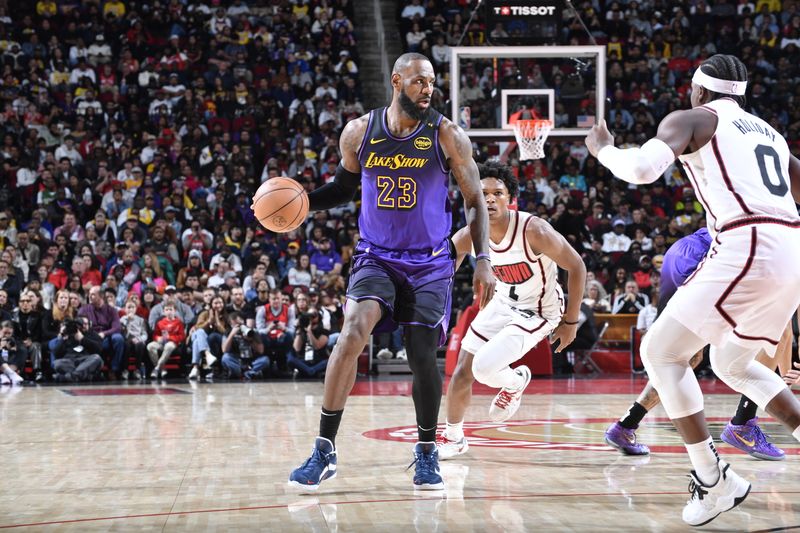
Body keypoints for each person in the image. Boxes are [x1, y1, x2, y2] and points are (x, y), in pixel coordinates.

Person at [586, 54, 800, 526]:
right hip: (790, 249)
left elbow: (642, 170)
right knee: (731, 363)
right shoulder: (771, 134)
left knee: (661, 353)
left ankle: (712, 478)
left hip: (748, 241)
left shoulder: (692, 118)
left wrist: (602, 148)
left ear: (700, 91)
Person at [288, 53, 495, 492]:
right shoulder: (359, 132)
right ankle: (324, 449)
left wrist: (483, 258)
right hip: (376, 256)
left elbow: (475, 200)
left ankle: (425, 451)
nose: (429, 89)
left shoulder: (448, 136)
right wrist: (303, 202)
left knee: (420, 353)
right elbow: (344, 188)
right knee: (352, 331)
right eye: (420, 82)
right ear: (397, 81)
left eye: (432, 82)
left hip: (429, 262)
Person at [436, 161, 586, 458]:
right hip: (503, 303)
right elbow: (443, 269)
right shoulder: (471, 233)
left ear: (510, 199)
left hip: (540, 311)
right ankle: (454, 437)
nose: (490, 198)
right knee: (463, 369)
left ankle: (516, 382)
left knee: (482, 367)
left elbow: (577, 266)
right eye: (483, 193)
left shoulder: (535, 230)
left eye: (498, 193)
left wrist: (570, 321)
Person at [604, 227, 789, 461]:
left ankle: (625, 425)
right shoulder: (788, 244)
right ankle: (744, 423)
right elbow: (784, 333)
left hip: (684, 250)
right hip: (716, 259)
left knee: (675, 355)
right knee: (770, 336)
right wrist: (787, 380)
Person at [52, 317, 103, 382]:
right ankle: (87, 376)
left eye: (86, 324)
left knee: (97, 358)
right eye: (82, 324)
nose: (84, 326)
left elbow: (99, 350)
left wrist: (82, 339)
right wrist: (62, 338)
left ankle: (69, 377)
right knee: (57, 363)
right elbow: (56, 354)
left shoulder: (93, 334)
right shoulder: (68, 334)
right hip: (70, 361)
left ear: (89, 324)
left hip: (86, 360)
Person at [220, 311, 269, 380]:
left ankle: (245, 374)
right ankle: (248, 374)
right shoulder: (228, 332)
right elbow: (224, 350)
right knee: (225, 358)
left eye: (240, 324)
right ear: (231, 325)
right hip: (237, 360)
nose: (239, 327)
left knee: (265, 360)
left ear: (244, 321)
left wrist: (250, 340)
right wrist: (232, 335)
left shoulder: (252, 331)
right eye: (235, 325)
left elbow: (261, 350)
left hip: (252, 361)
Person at [289, 306, 331, 378]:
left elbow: (317, 346)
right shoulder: (302, 330)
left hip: (318, 360)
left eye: (314, 315)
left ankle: (308, 371)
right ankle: (311, 371)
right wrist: (299, 329)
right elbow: (297, 348)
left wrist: (309, 332)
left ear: (318, 317)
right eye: (309, 315)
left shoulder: (323, 331)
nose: (311, 318)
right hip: (304, 361)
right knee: (290, 359)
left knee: (329, 362)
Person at [147, 302, 185, 380]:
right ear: (164, 311)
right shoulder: (160, 323)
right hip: (162, 343)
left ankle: (157, 368)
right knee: (150, 346)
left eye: (171, 309)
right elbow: (155, 335)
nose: (169, 311)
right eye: (166, 310)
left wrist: (170, 337)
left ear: (175, 311)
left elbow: (182, 336)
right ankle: (162, 368)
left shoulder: (179, 323)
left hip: (173, 343)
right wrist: (158, 338)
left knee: (169, 345)